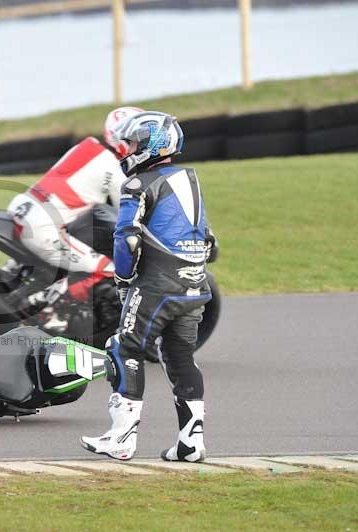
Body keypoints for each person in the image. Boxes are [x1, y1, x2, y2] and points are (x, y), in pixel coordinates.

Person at [80, 111, 219, 461]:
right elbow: (211, 241)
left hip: (158, 285)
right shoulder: (190, 179)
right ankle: (191, 444)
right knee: (179, 356)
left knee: (123, 348)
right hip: (196, 284)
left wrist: (124, 280)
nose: (127, 151)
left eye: (134, 144)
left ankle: (121, 438)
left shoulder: (137, 185)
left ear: (152, 146)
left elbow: (126, 240)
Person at [6, 107, 143, 313]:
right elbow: (130, 215)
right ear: (122, 137)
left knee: (67, 256)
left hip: (23, 207)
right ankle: (45, 312)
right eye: (137, 138)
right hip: (42, 226)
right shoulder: (115, 170)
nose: (141, 144)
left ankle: (10, 278)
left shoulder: (87, 146)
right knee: (109, 270)